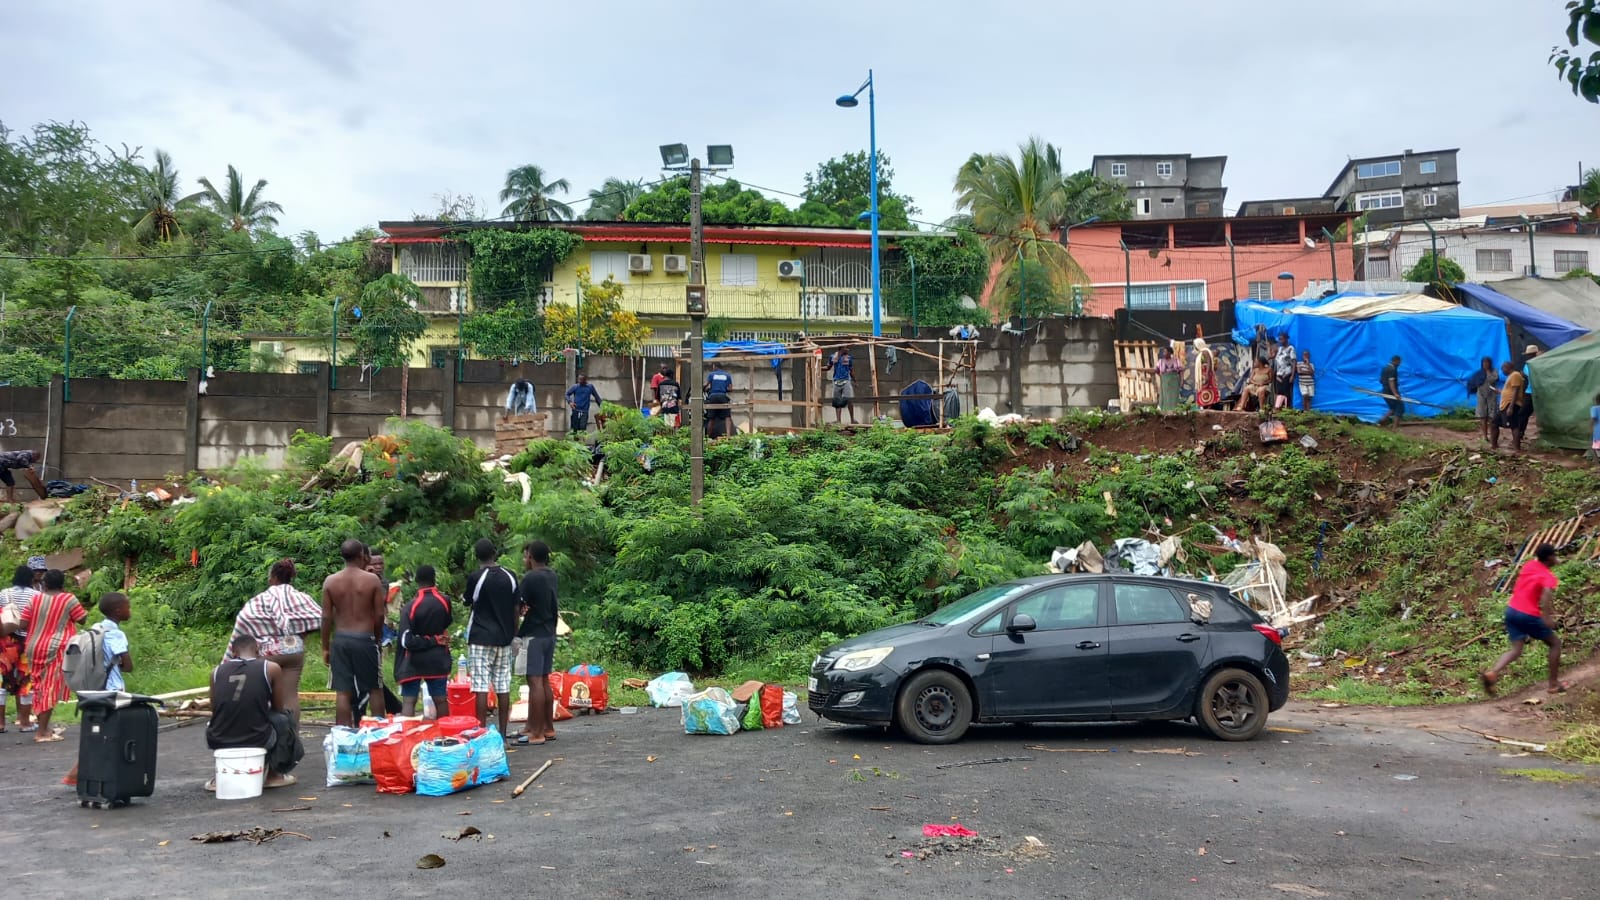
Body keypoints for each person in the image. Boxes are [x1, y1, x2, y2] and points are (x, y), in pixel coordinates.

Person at [228, 559, 322, 728]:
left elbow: (244, 620)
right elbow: (319, 617)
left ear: (272, 578)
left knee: (263, 695)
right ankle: (291, 740)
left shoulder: (259, 600)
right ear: (290, 578)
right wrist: (301, 635)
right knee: (290, 696)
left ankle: (266, 736)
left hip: (269, 653)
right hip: (294, 649)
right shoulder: (301, 597)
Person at [206, 635, 302, 790]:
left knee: (217, 721)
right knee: (283, 719)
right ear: (258, 650)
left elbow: (215, 708)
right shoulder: (270, 668)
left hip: (219, 738)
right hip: (258, 737)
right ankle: (275, 776)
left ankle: (219, 778)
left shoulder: (216, 672)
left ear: (233, 652)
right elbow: (278, 707)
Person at [62, 592, 131, 787]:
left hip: (94, 690)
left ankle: (81, 774)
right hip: (112, 691)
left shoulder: (96, 629)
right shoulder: (116, 633)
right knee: (111, 734)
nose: (129, 610)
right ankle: (78, 773)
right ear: (118, 611)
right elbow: (128, 665)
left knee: (97, 732)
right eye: (128, 607)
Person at [1482, 544, 1567, 696]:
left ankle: (1493, 673)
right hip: (1527, 614)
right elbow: (1547, 593)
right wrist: (1546, 617)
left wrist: (1555, 561)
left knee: (1516, 650)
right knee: (1555, 643)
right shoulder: (1548, 577)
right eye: (1554, 555)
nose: (1556, 558)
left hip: (1511, 611)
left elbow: (1535, 574)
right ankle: (1553, 684)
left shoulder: (1530, 565)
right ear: (1549, 558)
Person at [9, 570, 84, 742]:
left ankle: (45, 727)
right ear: (62, 585)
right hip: (57, 648)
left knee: (39, 685)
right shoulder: (68, 599)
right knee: (50, 687)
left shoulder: (35, 599)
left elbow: (23, 624)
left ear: (45, 584)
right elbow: (82, 619)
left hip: (33, 647)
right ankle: (41, 732)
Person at [320, 539, 386, 727]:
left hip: (341, 639)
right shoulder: (372, 580)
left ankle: (343, 735)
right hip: (365, 638)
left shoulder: (330, 581)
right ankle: (378, 733)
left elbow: (326, 618)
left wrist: (325, 647)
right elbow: (380, 614)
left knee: (343, 691)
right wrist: (377, 636)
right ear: (362, 556)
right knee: (374, 688)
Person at [464, 538, 519, 738]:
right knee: (503, 685)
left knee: (480, 685)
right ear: (495, 553)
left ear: (477, 557)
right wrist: (514, 635)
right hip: (504, 639)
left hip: (480, 637)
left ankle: (481, 735)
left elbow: (467, 601)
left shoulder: (476, 577)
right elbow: (516, 608)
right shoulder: (510, 576)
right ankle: (503, 736)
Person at [515, 541, 559, 746]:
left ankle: (536, 733)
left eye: (526, 556)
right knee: (543, 680)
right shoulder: (551, 575)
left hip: (534, 634)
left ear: (531, 557)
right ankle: (545, 727)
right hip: (550, 632)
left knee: (534, 683)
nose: (524, 560)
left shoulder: (530, 578)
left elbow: (517, 604)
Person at [396, 565, 452, 718]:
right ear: (434, 579)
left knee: (409, 701)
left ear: (417, 581)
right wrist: (435, 639)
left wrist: (428, 640)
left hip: (413, 659)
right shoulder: (445, 601)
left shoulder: (410, 607)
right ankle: (445, 737)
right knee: (441, 700)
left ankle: (408, 738)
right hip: (438, 657)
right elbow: (446, 623)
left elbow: (406, 641)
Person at [0, 563, 36, 732]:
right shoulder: (36, 595)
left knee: (1, 683)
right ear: (31, 579)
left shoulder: (4, 594)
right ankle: (24, 723)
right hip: (27, 641)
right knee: (25, 682)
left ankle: (0, 724)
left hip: (6, 643)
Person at [1492, 361, 1530, 452]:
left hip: (1510, 404)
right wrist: (1500, 392)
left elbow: (1516, 391)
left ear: (1508, 367)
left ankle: (1517, 448)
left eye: (1503, 369)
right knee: (1494, 423)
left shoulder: (1515, 375)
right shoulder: (1511, 376)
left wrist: (1511, 407)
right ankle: (1494, 445)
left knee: (1514, 425)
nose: (1502, 371)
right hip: (1505, 405)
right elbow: (1510, 391)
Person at [1467, 356, 1499, 444]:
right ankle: (1485, 436)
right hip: (1481, 395)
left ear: (1490, 363)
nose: (1486, 364)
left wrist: (1488, 373)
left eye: (1487, 362)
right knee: (1483, 415)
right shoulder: (1479, 373)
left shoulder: (1494, 371)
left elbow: (1493, 379)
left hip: (1491, 395)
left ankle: (1493, 436)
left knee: (1492, 415)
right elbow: (1473, 382)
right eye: (1484, 362)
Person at [705, 360, 734, 439]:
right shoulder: (727, 375)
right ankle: (728, 435)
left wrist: (705, 388)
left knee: (711, 418)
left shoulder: (711, 375)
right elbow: (730, 388)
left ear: (714, 366)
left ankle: (708, 437)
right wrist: (724, 389)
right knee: (727, 416)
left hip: (713, 396)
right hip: (723, 396)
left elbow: (706, 385)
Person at [827, 348, 856, 424]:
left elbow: (851, 370)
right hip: (836, 381)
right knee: (837, 402)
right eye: (846, 348)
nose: (848, 349)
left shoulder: (848, 358)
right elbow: (828, 367)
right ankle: (838, 420)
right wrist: (819, 368)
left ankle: (852, 419)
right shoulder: (833, 357)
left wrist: (855, 380)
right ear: (841, 348)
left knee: (849, 400)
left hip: (846, 380)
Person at [1153, 346, 1185, 410]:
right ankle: (1165, 410)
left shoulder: (1176, 360)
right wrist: (1162, 376)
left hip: (1175, 381)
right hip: (1165, 381)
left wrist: (1181, 381)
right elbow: (1156, 370)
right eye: (1163, 352)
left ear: (1170, 353)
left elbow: (1181, 371)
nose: (1163, 353)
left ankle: (1174, 410)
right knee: (1165, 395)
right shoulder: (1160, 361)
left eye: (1165, 352)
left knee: (1174, 396)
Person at [1192, 336, 1220, 409]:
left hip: (1206, 374)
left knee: (1207, 390)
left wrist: (1207, 374)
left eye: (1195, 345)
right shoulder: (1202, 352)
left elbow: (1209, 362)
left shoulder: (1205, 351)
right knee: (1204, 391)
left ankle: (1209, 407)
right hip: (1204, 374)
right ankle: (1206, 407)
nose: (1194, 347)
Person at [1272, 333, 1297, 409]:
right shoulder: (1280, 349)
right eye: (1279, 339)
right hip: (1279, 374)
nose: (1280, 341)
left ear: (1286, 339)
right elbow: (1276, 360)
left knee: (1286, 393)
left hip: (1287, 374)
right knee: (1279, 392)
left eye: (1282, 339)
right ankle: (1278, 408)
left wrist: (1292, 375)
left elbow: (1294, 362)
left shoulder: (1290, 348)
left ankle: (1287, 409)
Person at [1378, 355, 1403, 428]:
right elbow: (1391, 382)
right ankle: (1394, 429)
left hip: (1385, 391)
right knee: (1400, 408)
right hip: (1391, 392)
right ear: (1396, 361)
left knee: (1392, 408)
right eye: (1399, 362)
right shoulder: (1392, 369)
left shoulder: (1385, 368)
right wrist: (1395, 394)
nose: (1399, 364)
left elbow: (1380, 380)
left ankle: (1380, 422)